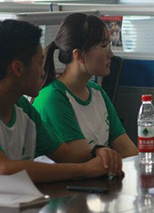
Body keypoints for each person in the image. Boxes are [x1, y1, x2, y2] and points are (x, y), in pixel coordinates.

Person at [0, 20, 116, 198]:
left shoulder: (22, 107)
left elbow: (69, 156)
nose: (43, 72)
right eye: (39, 63)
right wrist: (83, 170)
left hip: (5, 210)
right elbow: (2, 170)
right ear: (18, 69)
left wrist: (98, 152)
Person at [34, 13, 138, 159]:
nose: (111, 54)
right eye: (104, 46)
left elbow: (127, 150)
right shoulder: (53, 98)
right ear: (79, 55)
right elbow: (82, 159)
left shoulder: (97, 92)